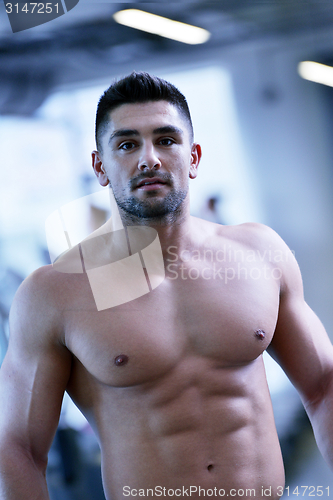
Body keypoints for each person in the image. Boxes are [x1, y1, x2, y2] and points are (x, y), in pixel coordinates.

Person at [1, 71, 333, 500]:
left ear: (193, 157)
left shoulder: (259, 252)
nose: (149, 159)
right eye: (127, 144)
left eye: (166, 140)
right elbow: (19, 449)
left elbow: (324, 386)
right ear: (100, 167)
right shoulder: (55, 293)